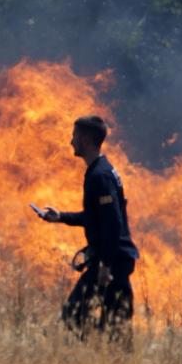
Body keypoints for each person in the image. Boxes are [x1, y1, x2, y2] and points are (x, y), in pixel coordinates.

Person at [38, 116, 139, 338]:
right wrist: (61, 217)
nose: (71, 141)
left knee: (75, 316)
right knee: (114, 327)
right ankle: (105, 357)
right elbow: (97, 217)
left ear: (85, 139)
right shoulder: (100, 171)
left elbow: (113, 224)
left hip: (112, 263)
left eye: (74, 136)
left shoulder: (99, 176)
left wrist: (104, 266)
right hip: (113, 259)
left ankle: (99, 355)